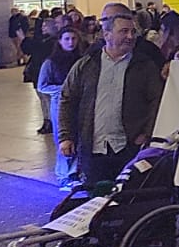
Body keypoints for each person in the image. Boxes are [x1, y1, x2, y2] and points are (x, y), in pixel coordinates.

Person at [57, 13, 165, 185]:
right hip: (94, 149)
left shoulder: (144, 66)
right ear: (106, 35)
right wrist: (66, 136)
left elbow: (157, 102)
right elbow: (67, 100)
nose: (130, 37)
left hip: (129, 149)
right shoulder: (86, 65)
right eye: (124, 31)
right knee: (96, 199)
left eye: (132, 32)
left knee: (129, 200)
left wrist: (146, 133)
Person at [37, 28, 85, 190]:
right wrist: (63, 89)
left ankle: (76, 172)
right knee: (64, 138)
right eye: (67, 39)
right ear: (60, 41)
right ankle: (64, 174)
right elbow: (42, 85)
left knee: (79, 137)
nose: (70, 42)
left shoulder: (82, 60)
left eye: (73, 38)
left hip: (80, 104)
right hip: (60, 105)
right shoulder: (51, 63)